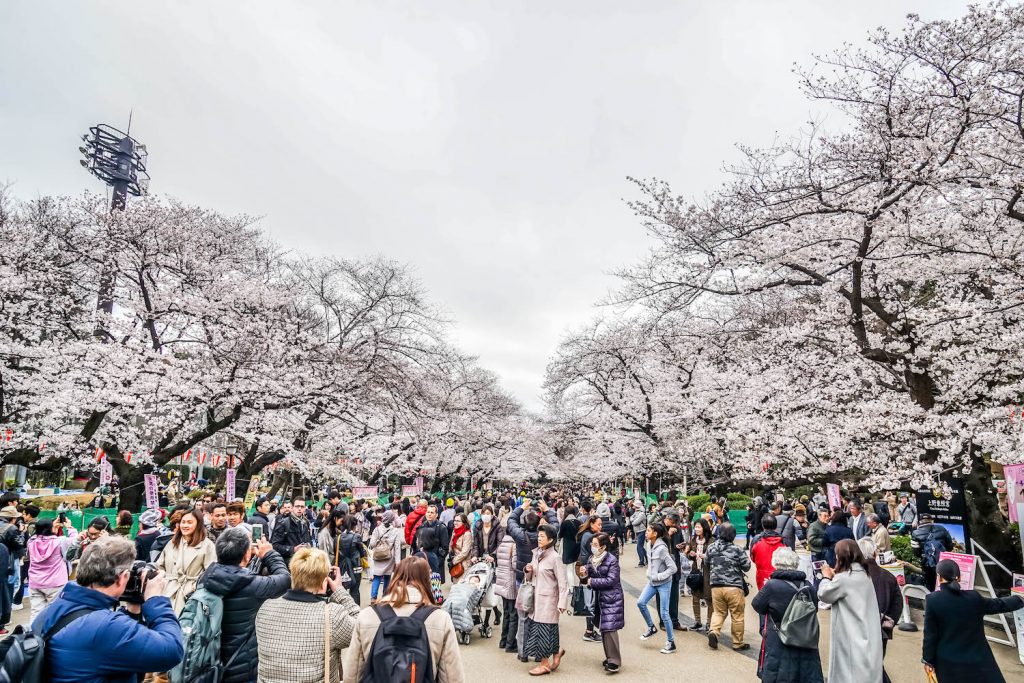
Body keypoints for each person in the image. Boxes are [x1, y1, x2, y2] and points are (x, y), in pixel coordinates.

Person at [32, 535, 184, 683]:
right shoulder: (105, 626)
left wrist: (132, 610)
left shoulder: (55, 609)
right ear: (123, 577)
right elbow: (171, 651)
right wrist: (155, 600)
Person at [343, 557, 465, 683]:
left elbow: (352, 675)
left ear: (395, 577)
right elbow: (453, 678)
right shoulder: (441, 619)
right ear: (427, 581)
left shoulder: (366, 616)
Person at [255, 547, 362, 683]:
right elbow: (362, 628)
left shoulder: (265, 608)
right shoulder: (331, 615)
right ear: (324, 582)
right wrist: (339, 591)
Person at [199, 526, 291, 683]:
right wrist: (269, 553)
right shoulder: (252, 585)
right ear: (247, 555)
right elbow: (285, 579)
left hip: (209, 662)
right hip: (242, 665)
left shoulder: (205, 578)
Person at [922, 558, 1024, 682]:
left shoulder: (932, 600)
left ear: (939, 577)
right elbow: (999, 604)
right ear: (959, 578)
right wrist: (1020, 599)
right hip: (979, 660)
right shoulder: (973, 597)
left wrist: (928, 660)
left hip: (948, 663)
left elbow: (930, 636)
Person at [750, 547, 824, 683]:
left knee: (778, 675)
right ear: (796, 564)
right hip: (805, 638)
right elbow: (815, 608)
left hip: (779, 638)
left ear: (775, 563)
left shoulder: (771, 586)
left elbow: (757, 605)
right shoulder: (807, 586)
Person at [817, 539, 883, 683]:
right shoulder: (864, 575)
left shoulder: (843, 579)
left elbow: (824, 595)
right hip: (868, 632)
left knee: (849, 674)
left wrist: (826, 577)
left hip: (851, 635)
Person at [523, 524, 568, 675]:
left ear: (550, 539)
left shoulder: (555, 558)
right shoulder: (536, 553)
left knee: (543, 631)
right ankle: (556, 652)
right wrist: (528, 570)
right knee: (547, 630)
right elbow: (533, 574)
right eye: (539, 536)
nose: (539, 538)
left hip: (549, 601)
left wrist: (562, 603)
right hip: (536, 598)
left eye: (542, 536)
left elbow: (563, 583)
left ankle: (544, 664)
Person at [154, 508, 216, 614]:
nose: (185, 525)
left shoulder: (207, 545)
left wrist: (193, 587)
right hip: (168, 592)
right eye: (183, 522)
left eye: (189, 522)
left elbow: (210, 573)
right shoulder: (172, 543)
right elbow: (159, 566)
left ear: (198, 524)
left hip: (191, 595)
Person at [858, 538, 902, 683]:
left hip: (859, 629)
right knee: (876, 665)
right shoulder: (888, 576)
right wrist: (888, 622)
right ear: (875, 554)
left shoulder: (854, 576)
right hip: (881, 630)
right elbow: (897, 604)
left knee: (864, 668)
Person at [580, 532, 624, 674]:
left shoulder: (612, 560)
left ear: (603, 547)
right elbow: (587, 576)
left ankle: (614, 661)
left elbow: (611, 580)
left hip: (611, 598)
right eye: (592, 544)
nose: (592, 546)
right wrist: (584, 573)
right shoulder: (593, 558)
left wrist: (592, 581)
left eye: (595, 544)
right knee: (604, 629)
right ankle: (610, 657)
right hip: (599, 598)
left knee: (610, 629)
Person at [704, 522, 751, 652]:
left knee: (718, 612)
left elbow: (706, 563)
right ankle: (737, 643)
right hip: (734, 586)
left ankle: (714, 631)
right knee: (737, 615)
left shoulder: (711, 548)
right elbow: (747, 566)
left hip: (716, 586)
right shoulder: (737, 549)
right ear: (733, 536)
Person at [635, 522, 677, 654]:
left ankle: (671, 642)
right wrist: (649, 573)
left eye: (648, 531)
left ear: (655, 534)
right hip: (652, 582)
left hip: (664, 583)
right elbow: (651, 563)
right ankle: (651, 627)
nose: (646, 532)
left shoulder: (662, 548)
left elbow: (673, 568)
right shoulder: (648, 544)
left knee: (664, 613)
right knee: (640, 602)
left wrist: (659, 576)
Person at [26, 518, 70, 621]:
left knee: (36, 612)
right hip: (56, 583)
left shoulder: (31, 542)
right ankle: (52, 635)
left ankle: (34, 634)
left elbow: (37, 536)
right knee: (55, 612)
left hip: (35, 582)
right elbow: (75, 540)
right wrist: (69, 527)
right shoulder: (60, 541)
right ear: (50, 528)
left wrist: (50, 526)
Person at [575, 512, 604, 641]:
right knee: (591, 601)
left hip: (583, 568)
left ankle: (590, 630)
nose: (601, 526)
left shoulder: (585, 534)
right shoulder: (590, 537)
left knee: (590, 600)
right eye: (599, 524)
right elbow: (595, 554)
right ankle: (589, 632)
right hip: (588, 569)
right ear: (592, 524)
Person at [911, 513, 954, 590]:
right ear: (932, 520)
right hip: (943, 562)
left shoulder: (915, 533)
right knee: (946, 584)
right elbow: (950, 546)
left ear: (920, 522)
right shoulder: (942, 528)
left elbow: (916, 553)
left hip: (927, 564)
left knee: (930, 586)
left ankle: (933, 599)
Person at [367, 509, 403, 600]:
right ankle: (385, 597)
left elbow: (371, 544)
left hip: (378, 556)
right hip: (389, 557)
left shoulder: (377, 529)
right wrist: (397, 562)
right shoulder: (395, 531)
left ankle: (373, 598)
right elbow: (397, 547)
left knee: (377, 577)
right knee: (387, 576)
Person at [684, 517, 713, 630]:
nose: (696, 529)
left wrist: (706, 556)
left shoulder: (711, 541)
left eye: (698, 527)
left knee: (708, 597)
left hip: (707, 572)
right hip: (695, 571)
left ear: (704, 528)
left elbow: (715, 556)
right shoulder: (692, 540)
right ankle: (698, 621)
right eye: (695, 527)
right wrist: (689, 554)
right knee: (695, 596)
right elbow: (687, 553)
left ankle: (709, 623)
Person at [270, 496, 312, 564]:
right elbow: (275, 545)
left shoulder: (305, 522)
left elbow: (308, 539)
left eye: (302, 506)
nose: (299, 509)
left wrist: (309, 546)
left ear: (305, 508)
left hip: (303, 562)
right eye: (297, 506)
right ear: (292, 507)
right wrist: (293, 549)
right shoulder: (283, 523)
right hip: (288, 563)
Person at [750, 514, 785, 589]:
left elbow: (752, 557)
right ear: (776, 526)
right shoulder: (782, 540)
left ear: (762, 525)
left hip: (761, 575)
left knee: (763, 596)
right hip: (779, 575)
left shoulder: (756, 539)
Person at [416, 504, 450, 577]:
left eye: (432, 512)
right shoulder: (422, 526)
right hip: (423, 561)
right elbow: (419, 543)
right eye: (428, 512)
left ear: (436, 514)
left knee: (435, 585)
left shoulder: (441, 527)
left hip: (436, 560)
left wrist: (438, 561)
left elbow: (445, 547)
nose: (429, 514)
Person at [449, 513, 473, 579]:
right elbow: (451, 545)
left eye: (458, 521)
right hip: (455, 563)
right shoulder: (454, 531)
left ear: (464, 522)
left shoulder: (467, 534)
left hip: (463, 565)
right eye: (454, 520)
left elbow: (464, 553)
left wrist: (453, 561)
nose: (455, 523)